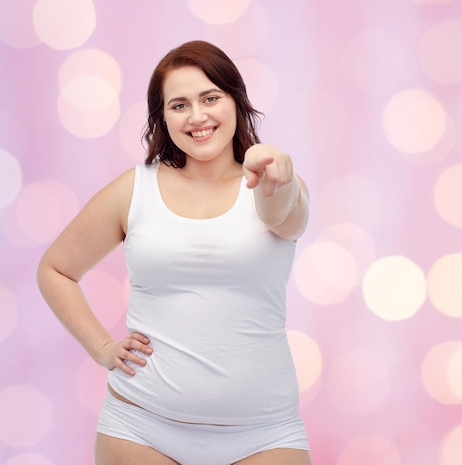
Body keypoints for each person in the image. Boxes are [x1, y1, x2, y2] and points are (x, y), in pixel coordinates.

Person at [37, 40, 312, 465]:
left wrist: (274, 176)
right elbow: (55, 270)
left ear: (236, 102)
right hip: (140, 429)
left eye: (210, 98)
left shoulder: (272, 182)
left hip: (265, 435)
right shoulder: (135, 189)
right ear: (162, 118)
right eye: (179, 104)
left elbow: (285, 219)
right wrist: (102, 348)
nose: (197, 116)